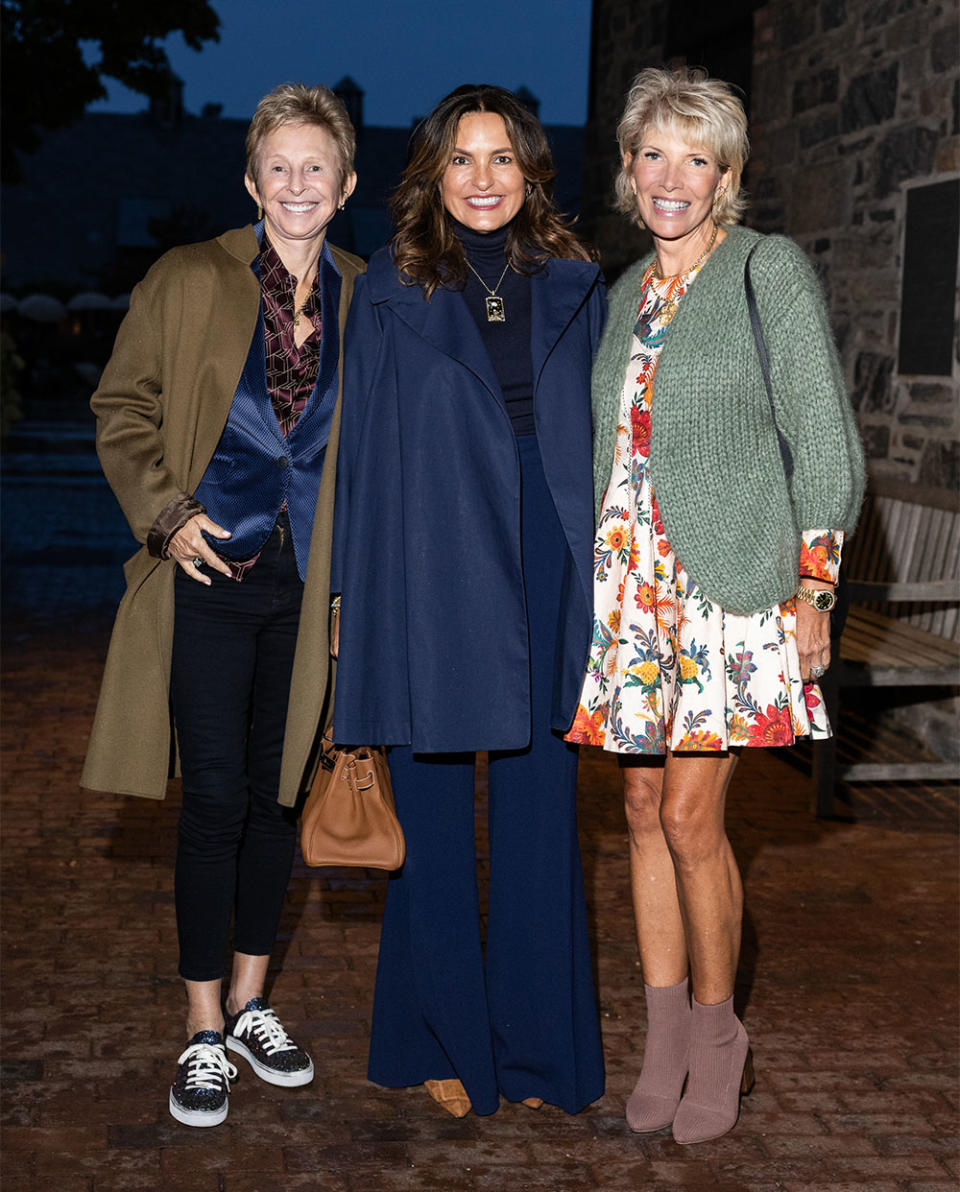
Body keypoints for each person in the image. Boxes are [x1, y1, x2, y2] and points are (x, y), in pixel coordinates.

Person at [566, 67, 864, 1144]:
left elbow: (824, 438)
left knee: (695, 817)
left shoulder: (764, 271)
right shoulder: (621, 294)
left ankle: (719, 1032)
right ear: (630, 169)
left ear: (728, 176)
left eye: (699, 158)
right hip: (632, 589)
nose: (673, 177)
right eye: (655, 154)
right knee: (640, 814)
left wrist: (816, 583)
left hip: (730, 588)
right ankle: (662, 1040)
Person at [81, 83, 364, 1127]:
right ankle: (201, 1026)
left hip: (309, 587)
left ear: (344, 185)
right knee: (211, 802)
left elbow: (377, 462)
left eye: (316, 169)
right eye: (278, 168)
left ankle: (252, 1001)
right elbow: (122, 407)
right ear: (252, 181)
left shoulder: (366, 296)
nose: (297, 185)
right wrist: (166, 512)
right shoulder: (188, 278)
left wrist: (357, 595)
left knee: (274, 799)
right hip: (208, 581)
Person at [331, 84, 606, 1117]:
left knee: (542, 809)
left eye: (501, 158)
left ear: (532, 170)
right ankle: (437, 1036)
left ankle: (539, 1052)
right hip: (433, 554)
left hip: (549, 547)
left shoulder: (580, 281)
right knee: (434, 810)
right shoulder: (394, 290)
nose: (482, 178)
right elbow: (364, 458)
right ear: (431, 175)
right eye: (460, 158)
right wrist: (355, 601)